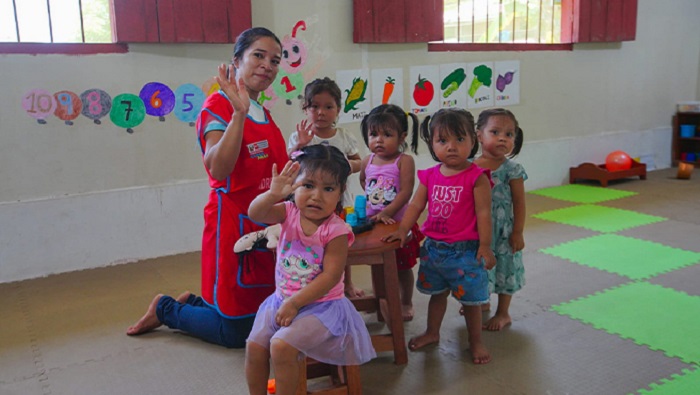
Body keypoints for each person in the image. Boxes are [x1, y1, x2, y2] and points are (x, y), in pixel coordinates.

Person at [126, 27, 288, 348]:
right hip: (233, 224)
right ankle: (167, 309)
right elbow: (218, 167)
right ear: (236, 60)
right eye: (258, 55)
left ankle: (198, 304)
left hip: (267, 226)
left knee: (265, 314)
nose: (267, 65)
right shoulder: (218, 106)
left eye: (275, 60)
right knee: (236, 334)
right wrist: (238, 114)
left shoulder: (266, 114)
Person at [245, 144, 376, 395]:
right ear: (295, 186)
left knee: (281, 347)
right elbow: (256, 212)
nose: (317, 196)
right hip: (281, 300)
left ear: (340, 193)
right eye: (308, 185)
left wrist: (295, 303)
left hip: (322, 308)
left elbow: (331, 276)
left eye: (328, 188)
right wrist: (272, 195)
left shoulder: (336, 230)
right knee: (254, 347)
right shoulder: (289, 212)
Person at [382, 108, 497, 364]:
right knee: (438, 294)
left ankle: (475, 342)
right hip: (434, 249)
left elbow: (484, 214)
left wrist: (486, 246)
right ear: (432, 143)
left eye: (459, 139)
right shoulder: (431, 175)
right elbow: (415, 206)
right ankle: (432, 333)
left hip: (465, 252)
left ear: (473, 141)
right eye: (442, 140)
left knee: (471, 302)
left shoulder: (477, 177)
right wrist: (402, 230)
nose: (451, 147)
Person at [286, 77, 366, 298]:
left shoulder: (343, 136)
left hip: (339, 203)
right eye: (314, 106)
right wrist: (299, 144)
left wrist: (344, 167)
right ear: (306, 109)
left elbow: (359, 162)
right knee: (309, 246)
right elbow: (290, 164)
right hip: (307, 204)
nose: (321, 112)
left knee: (340, 246)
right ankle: (305, 285)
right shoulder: (301, 137)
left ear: (338, 109)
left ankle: (346, 284)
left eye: (328, 107)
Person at [359, 104, 423, 321]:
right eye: (373, 134)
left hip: (398, 223)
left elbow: (406, 192)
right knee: (377, 264)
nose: (379, 140)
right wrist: (374, 210)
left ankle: (406, 301)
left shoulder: (404, 161)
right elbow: (364, 182)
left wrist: (386, 211)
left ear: (402, 136)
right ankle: (379, 298)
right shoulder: (367, 161)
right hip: (373, 223)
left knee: (402, 267)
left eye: (387, 135)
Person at [473, 108, 527, 331]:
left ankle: (503, 313)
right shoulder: (471, 166)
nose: (503, 138)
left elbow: (519, 203)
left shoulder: (512, 170)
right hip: (478, 230)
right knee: (480, 267)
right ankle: (481, 300)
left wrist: (517, 232)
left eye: (509, 134)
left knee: (505, 268)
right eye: (495, 132)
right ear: (479, 135)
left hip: (504, 232)